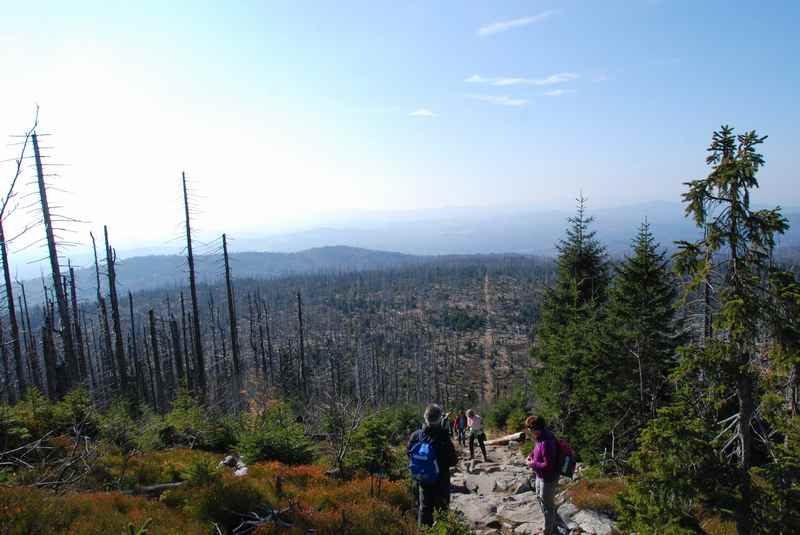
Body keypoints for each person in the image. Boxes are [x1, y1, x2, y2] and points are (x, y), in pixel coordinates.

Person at [407, 404, 458, 526]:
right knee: (443, 511)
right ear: (439, 418)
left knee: (424, 510)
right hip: (441, 480)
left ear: (425, 417)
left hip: (423, 480)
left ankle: (424, 531)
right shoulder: (443, 437)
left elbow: (409, 454)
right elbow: (452, 461)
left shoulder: (416, 436)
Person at [526, 415, 560, 535]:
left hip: (548, 478)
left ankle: (548, 530)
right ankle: (550, 524)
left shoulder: (547, 441)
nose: (528, 431)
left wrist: (532, 464)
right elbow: (537, 449)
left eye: (529, 428)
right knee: (540, 499)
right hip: (540, 476)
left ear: (536, 428)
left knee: (547, 505)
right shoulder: (540, 436)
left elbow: (548, 465)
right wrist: (531, 455)